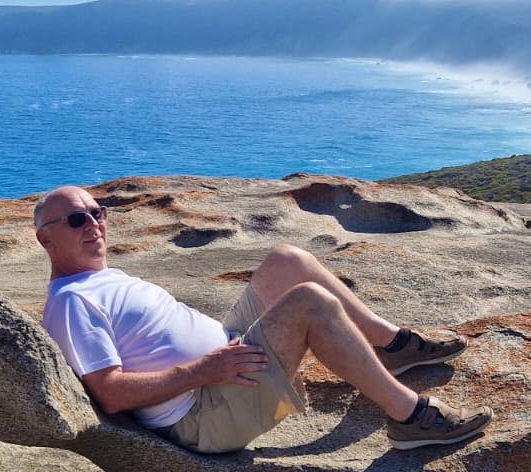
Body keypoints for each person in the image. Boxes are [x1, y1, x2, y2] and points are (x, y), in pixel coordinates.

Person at [35, 185, 493, 453]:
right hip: (205, 411)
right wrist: (204, 369)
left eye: (98, 213)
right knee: (308, 302)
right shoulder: (72, 301)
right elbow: (110, 394)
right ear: (46, 240)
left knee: (287, 260)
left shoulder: (99, 278)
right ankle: (409, 415)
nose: (94, 225)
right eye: (76, 220)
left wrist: (214, 358)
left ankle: (390, 347)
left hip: (225, 357)